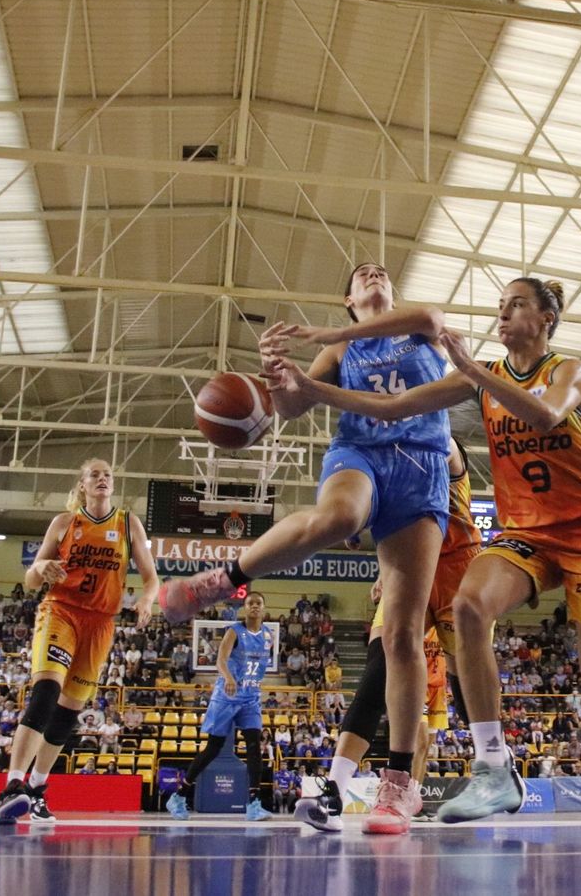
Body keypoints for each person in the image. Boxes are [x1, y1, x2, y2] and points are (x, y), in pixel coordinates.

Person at [274, 276, 581, 832]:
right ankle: (494, 768)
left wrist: (471, 368)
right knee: (468, 607)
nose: (504, 314)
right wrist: (313, 389)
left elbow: (544, 415)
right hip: (527, 536)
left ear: (545, 319)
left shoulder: (568, 371)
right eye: (500, 306)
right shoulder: (481, 376)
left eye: (516, 305)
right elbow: (393, 408)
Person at [160, 262, 452, 836]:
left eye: (381, 271)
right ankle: (225, 578)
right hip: (360, 456)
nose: (373, 274)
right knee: (339, 515)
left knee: (400, 634)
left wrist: (327, 336)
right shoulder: (340, 355)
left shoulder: (418, 329)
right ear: (348, 297)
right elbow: (291, 407)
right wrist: (275, 378)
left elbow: (431, 315)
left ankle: (398, 787)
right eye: (361, 274)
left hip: (422, 469)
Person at [296, 437, 481, 832]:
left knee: (466, 683)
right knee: (376, 674)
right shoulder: (386, 460)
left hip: (455, 571)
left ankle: (497, 765)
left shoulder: (441, 444)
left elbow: (439, 443)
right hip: (409, 569)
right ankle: (334, 791)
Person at [0, 457, 160, 825]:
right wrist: (41, 568)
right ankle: (12, 786)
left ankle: (37, 790)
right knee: (45, 694)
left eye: (107, 475)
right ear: (82, 485)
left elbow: (151, 578)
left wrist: (147, 600)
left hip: (100, 623)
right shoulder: (65, 523)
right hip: (61, 611)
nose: (102, 479)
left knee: (68, 713)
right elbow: (31, 580)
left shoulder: (128, 523)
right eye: (94, 475)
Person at [167, 590, 275, 821]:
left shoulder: (268, 635)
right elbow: (221, 660)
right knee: (213, 748)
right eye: (250, 603)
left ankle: (254, 804)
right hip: (227, 695)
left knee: (255, 745)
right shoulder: (234, 632)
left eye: (258, 603)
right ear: (245, 608)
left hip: (250, 696)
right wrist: (228, 677)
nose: (255, 606)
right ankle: (179, 796)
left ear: (264, 608)